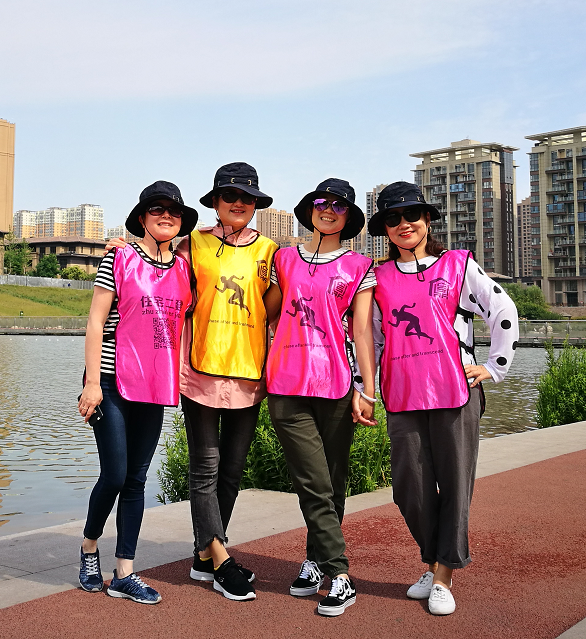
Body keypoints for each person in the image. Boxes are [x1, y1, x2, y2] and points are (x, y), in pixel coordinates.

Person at [368, 181, 518, 616]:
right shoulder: (378, 277)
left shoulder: (457, 265)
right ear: (385, 229)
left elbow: (503, 310)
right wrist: (364, 388)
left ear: (427, 219)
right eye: (392, 218)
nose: (403, 224)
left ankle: (443, 576)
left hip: (456, 393)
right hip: (402, 394)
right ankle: (435, 562)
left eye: (411, 215)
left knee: (455, 485)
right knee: (408, 488)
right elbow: (372, 338)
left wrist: (494, 367)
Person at [77, 181, 197, 604]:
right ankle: (89, 546)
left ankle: (124, 572)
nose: (166, 216)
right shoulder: (119, 257)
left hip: (154, 385)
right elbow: (95, 321)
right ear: (142, 217)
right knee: (114, 474)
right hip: (111, 380)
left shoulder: (184, 269)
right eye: (156, 209)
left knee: (137, 479)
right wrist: (92, 383)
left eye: (174, 211)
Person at [263, 178, 376, 617]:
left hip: (336, 384)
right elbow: (268, 311)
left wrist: (368, 390)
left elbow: (362, 331)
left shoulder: (359, 266)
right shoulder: (284, 258)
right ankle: (341, 575)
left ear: (349, 217)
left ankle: (314, 561)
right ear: (310, 209)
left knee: (333, 480)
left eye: (339, 206)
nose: (328, 209)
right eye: (321, 202)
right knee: (312, 480)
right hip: (286, 384)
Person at [180, 162, 278, 601]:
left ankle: (204, 556)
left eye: (247, 197)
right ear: (216, 202)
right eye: (230, 196)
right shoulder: (192, 243)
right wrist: (124, 248)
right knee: (205, 467)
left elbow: (273, 308)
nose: (239, 203)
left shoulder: (271, 251)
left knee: (233, 471)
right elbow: (163, 279)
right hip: (200, 371)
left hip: (249, 373)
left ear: (255, 204)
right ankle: (221, 559)